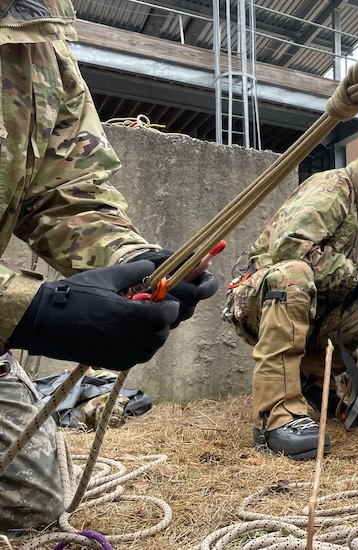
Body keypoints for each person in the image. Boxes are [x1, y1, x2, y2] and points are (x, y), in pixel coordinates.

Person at [0, 0, 219, 532]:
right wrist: (29, 312)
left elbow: (64, 192)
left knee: (34, 499)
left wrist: (135, 265)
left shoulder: (40, 39)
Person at [224, 120, 358, 461]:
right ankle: (275, 418)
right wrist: (356, 279)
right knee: (293, 275)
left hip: (317, 310)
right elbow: (289, 248)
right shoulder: (332, 187)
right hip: (260, 300)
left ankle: (324, 384)